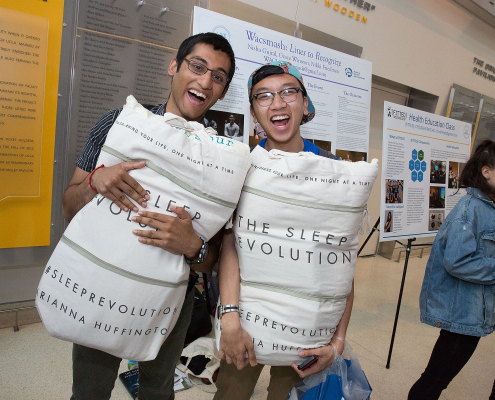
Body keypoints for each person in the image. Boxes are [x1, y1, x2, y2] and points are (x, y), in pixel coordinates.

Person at [62, 32, 235, 400]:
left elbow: (211, 260)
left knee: (157, 392)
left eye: (218, 77)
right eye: (197, 66)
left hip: (172, 302)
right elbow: (68, 207)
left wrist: (193, 247)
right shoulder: (118, 123)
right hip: (102, 288)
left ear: (222, 91)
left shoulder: (222, 160)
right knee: (89, 392)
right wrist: (95, 181)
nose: (205, 81)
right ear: (174, 66)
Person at [213, 61, 353, 400]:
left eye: (288, 92)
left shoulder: (333, 171)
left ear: (305, 104)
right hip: (247, 316)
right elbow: (230, 245)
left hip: (308, 326)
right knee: (231, 391)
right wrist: (230, 319)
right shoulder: (242, 167)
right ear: (253, 110)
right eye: (264, 96)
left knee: (288, 395)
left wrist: (337, 342)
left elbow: (343, 263)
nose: (277, 103)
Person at [408, 139, 495, 400]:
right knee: (434, 380)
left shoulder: (488, 207)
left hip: (478, 309)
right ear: (486, 171)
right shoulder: (470, 210)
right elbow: (457, 261)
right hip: (463, 316)